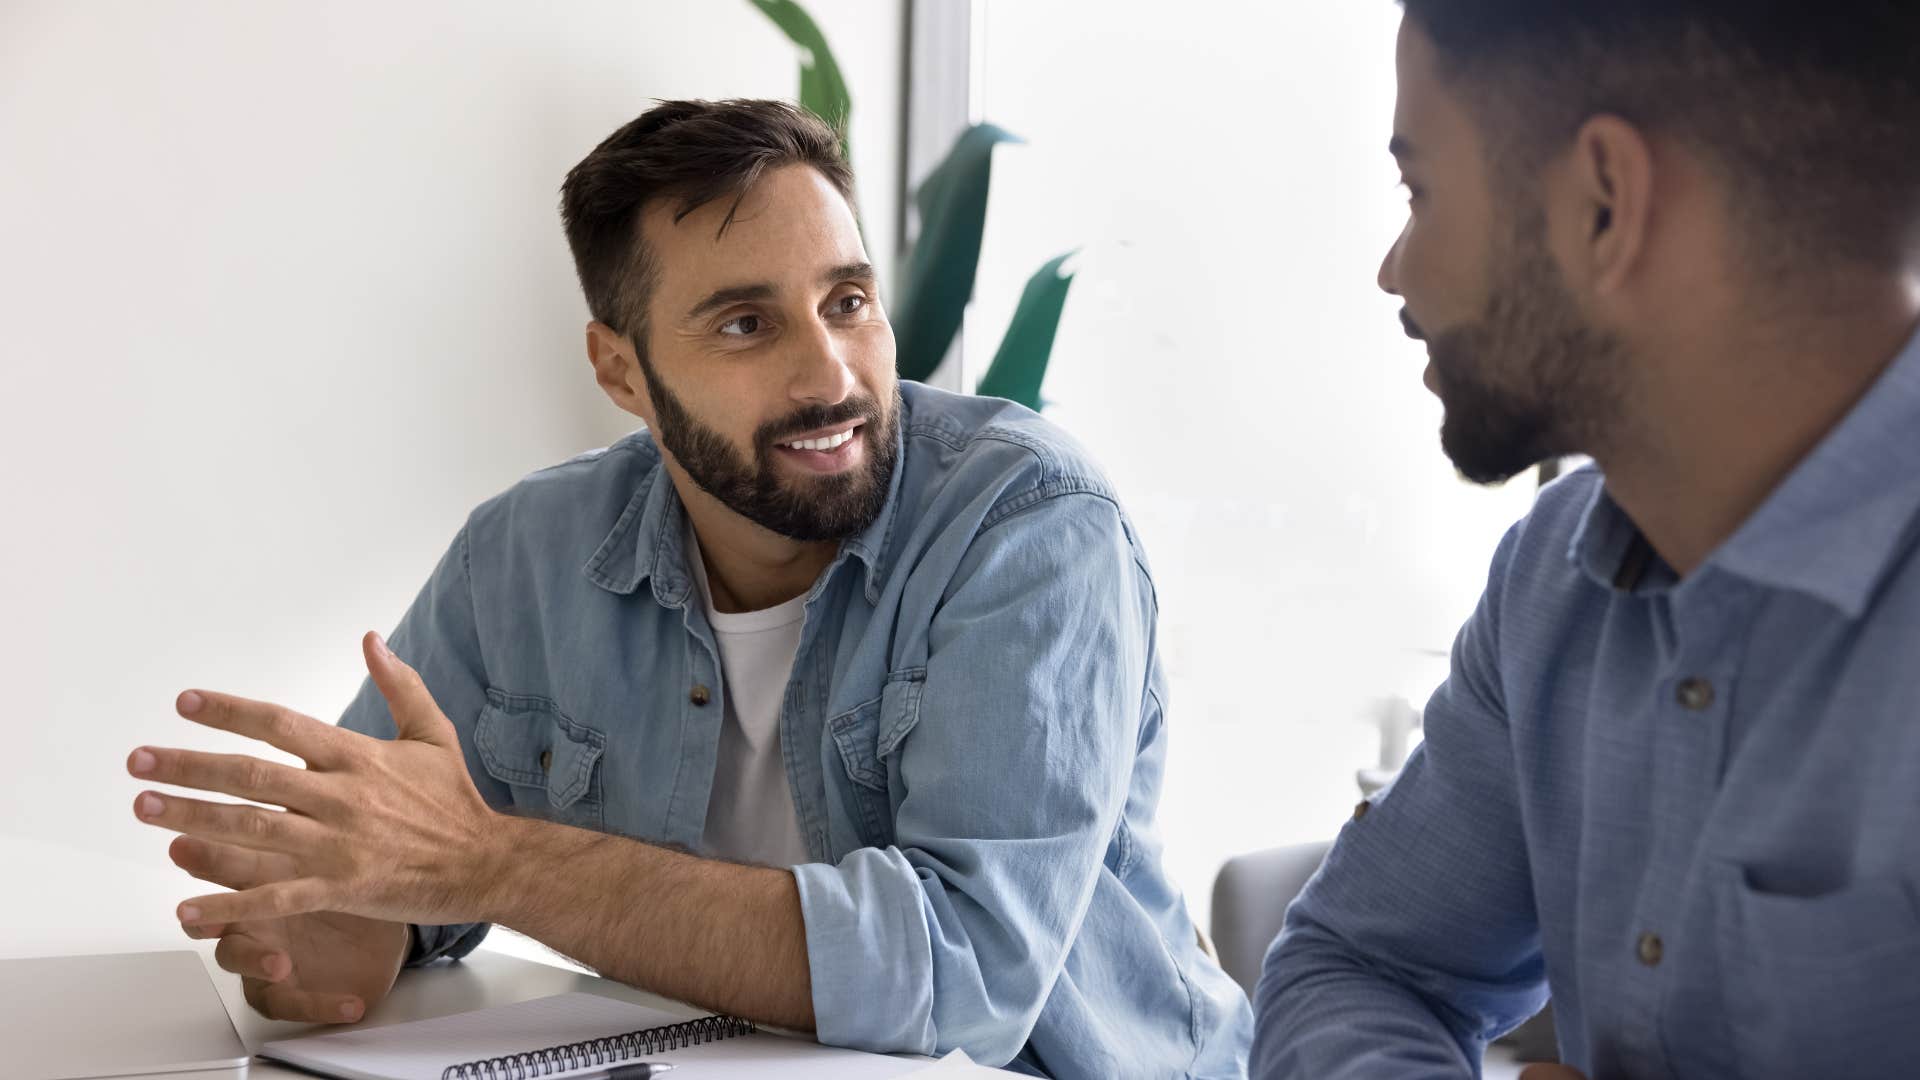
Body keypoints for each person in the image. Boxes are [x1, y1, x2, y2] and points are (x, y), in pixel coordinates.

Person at [126, 99, 1251, 1078]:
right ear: (621, 369)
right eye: (746, 324)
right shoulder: (524, 556)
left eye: (848, 301)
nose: (831, 375)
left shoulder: (1029, 528)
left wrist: (491, 863)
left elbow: (964, 976)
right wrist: (336, 927)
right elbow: (394, 858)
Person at [1253, 3, 1920, 1078]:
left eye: (1420, 192)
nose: (1395, 271)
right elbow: (1357, 965)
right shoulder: (1552, 581)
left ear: (1605, 206)